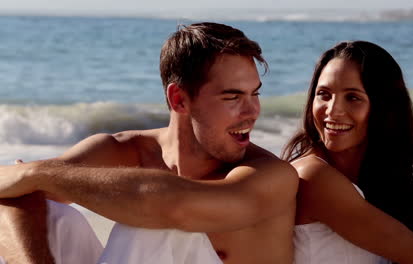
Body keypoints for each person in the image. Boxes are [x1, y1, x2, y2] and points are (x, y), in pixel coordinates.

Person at [0, 22, 298, 264]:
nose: (252, 112)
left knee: (155, 226)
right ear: (179, 99)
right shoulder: (126, 149)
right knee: (51, 214)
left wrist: (39, 173)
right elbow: (9, 191)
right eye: (233, 97)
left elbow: (172, 206)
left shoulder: (271, 175)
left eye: (255, 94)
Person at [282, 40, 413, 263]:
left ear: (383, 106)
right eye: (324, 94)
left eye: (352, 97)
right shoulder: (313, 176)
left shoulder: (375, 175)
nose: (333, 110)